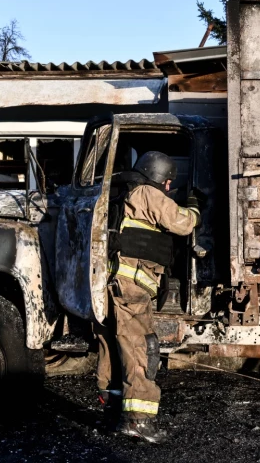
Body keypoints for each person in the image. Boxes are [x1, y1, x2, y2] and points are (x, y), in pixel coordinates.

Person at [96, 150, 200, 444]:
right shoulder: (147, 193)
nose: (168, 189)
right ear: (161, 180)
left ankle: (112, 412)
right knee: (141, 348)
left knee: (114, 348)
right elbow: (182, 223)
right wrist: (194, 207)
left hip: (110, 285)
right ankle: (139, 422)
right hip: (130, 288)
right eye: (168, 183)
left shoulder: (124, 194)